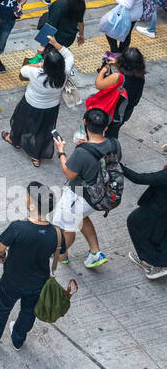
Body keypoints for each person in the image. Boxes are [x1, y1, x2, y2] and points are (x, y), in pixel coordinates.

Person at [0, 183, 66, 353]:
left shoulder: (18, 228)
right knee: (29, 311)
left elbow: (0, 247)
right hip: (39, 282)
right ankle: (18, 339)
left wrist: (3, 257)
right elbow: (62, 254)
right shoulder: (57, 233)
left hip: (13, 279)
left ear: (31, 205)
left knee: (2, 308)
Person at [53, 107, 119, 269]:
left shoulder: (82, 153)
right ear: (105, 127)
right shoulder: (114, 144)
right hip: (102, 195)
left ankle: (61, 255)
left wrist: (61, 152)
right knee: (82, 217)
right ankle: (95, 252)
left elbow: (69, 174)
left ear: (84, 123)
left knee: (66, 228)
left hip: (79, 197)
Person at [3, 40, 73, 167]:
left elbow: (23, 69)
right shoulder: (65, 72)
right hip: (50, 108)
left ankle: (15, 140)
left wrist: (40, 64)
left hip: (29, 104)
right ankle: (36, 156)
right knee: (43, 131)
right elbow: (69, 55)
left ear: (46, 66)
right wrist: (57, 44)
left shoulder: (36, 74)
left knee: (20, 122)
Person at [123, 157, 167, 280]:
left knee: (134, 221)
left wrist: (118, 166)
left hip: (158, 208)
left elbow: (138, 178)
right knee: (161, 234)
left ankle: (154, 264)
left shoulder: (164, 176)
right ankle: (159, 262)